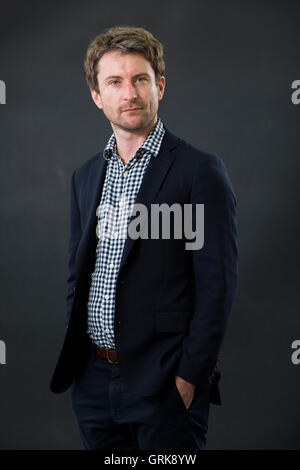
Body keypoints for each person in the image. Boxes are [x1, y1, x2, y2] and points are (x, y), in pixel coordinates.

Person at [50, 25, 239, 451]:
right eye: (114, 82)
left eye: (140, 79)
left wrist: (189, 377)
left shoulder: (199, 171)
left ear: (161, 86)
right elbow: (77, 276)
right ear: (97, 96)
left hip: (164, 384)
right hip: (93, 383)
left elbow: (217, 287)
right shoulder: (86, 176)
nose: (129, 93)